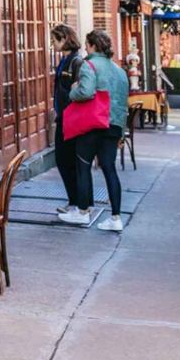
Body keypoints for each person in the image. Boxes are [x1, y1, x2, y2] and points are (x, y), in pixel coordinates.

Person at [59, 29, 131, 232]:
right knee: (109, 169)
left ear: (92, 46)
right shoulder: (120, 71)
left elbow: (86, 92)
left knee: (83, 166)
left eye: (86, 44)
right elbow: (122, 100)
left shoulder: (88, 65)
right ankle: (116, 218)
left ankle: (83, 212)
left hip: (93, 124)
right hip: (114, 125)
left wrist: (73, 90)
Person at [50, 24, 85, 217]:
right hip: (63, 117)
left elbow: (79, 91)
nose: (52, 43)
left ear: (64, 40)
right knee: (64, 160)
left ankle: (78, 203)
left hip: (71, 119)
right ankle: (75, 201)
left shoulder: (76, 61)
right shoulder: (64, 61)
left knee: (67, 160)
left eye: (54, 40)